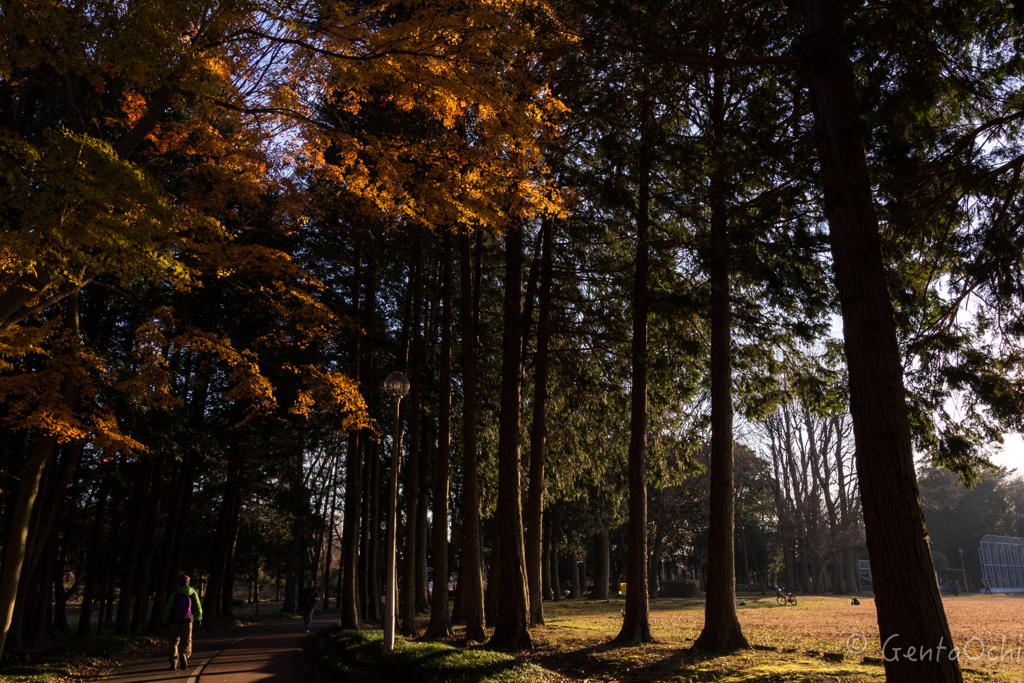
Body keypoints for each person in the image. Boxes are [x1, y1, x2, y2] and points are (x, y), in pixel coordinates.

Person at [163, 575, 202, 670]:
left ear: (179, 583)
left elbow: (168, 608)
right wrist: (198, 618)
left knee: (173, 642)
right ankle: (184, 654)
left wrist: (165, 621)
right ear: (188, 583)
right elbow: (198, 607)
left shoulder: (175, 593)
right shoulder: (193, 593)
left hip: (174, 621)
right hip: (188, 621)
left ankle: (173, 663)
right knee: (187, 641)